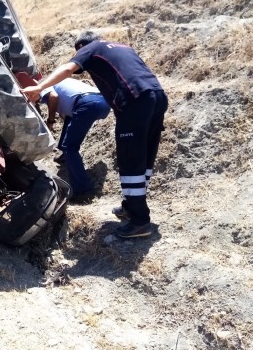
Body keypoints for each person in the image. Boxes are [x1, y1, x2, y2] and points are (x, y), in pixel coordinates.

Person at [21, 31, 168, 239]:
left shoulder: (92, 48)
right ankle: (131, 206)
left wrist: (39, 86)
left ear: (82, 46)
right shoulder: (123, 47)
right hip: (157, 96)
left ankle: (140, 221)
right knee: (143, 157)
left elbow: (68, 68)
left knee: (130, 159)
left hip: (133, 101)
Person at [40, 78, 110, 200]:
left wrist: (50, 121)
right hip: (103, 102)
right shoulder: (61, 80)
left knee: (70, 147)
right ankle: (63, 154)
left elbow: (53, 97)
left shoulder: (44, 84)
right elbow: (67, 112)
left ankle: (83, 190)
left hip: (87, 104)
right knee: (69, 125)